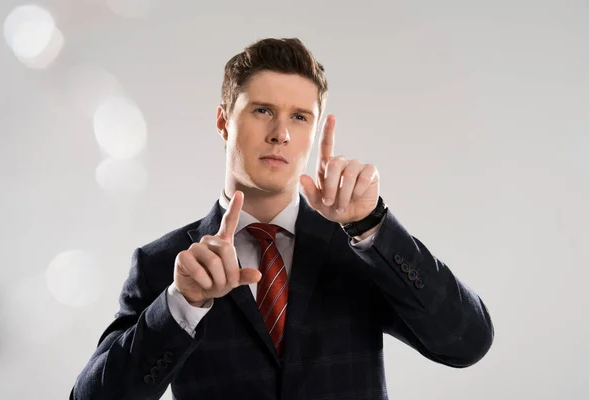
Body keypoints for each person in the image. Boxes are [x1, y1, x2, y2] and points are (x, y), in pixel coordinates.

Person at [70, 37, 494, 400]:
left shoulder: (358, 247)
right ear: (223, 121)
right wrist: (182, 305)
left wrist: (372, 225)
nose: (281, 133)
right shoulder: (167, 265)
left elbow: (467, 342)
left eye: (299, 116)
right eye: (262, 111)